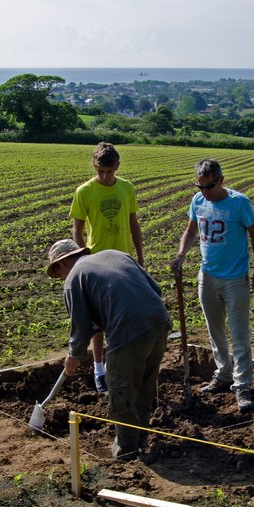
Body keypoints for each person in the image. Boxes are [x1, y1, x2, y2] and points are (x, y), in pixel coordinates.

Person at [46, 238, 170, 460]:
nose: (61, 278)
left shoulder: (74, 277)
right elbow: (155, 288)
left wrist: (74, 355)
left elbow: (80, 326)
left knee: (120, 393)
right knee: (144, 388)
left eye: (58, 273)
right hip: (159, 322)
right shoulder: (116, 254)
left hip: (128, 332)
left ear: (62, 264)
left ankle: (126, 452)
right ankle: (142, 440)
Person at [170, 158, 254, 413]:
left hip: (235, 278)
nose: (204, 192)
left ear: (221, 180)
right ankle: (223, 374)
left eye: (209, 187)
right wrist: (181, 255)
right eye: (199, 186)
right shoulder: (197, 201)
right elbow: (190, 232)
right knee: (215, 330)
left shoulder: (239, 203)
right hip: (207, 276)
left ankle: (242, 384)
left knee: (239, 334)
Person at [69, 142, 145, 394]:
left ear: (117, 168)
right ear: (94, 166)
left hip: (124, 261)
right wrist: (84, 260)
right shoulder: (85, 191)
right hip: (98, 263)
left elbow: (134, 223)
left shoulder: (127, 188)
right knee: (97, 321)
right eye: (101, 172)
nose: (105, 176)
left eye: (109, 172)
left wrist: (140, 257)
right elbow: (77, 230)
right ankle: (99, 370)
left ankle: (122, 368)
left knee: (124, 317)